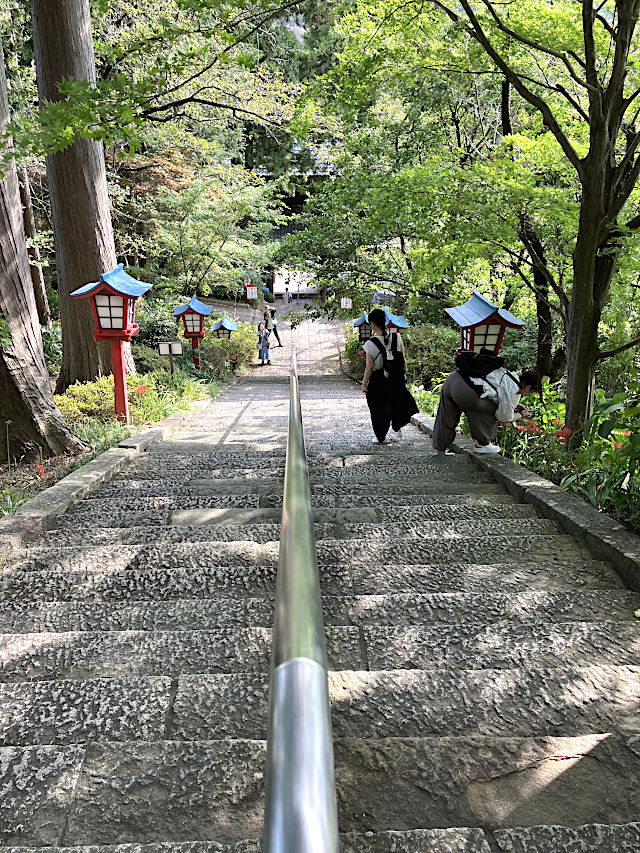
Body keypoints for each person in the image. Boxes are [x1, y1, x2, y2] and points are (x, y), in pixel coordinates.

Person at [432, 364, 543, 454]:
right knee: (493, 409)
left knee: (446, 416)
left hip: (454, 379)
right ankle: (483, 444)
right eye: (532, 392)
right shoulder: (515, 389)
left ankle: (440, 449)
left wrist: (514, 406)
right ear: (528, 387)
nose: (529, 395)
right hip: (466, 390)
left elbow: (497, 393)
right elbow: (504, 417)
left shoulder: (509, 375)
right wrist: (522, 415)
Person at [361, 308, 417, 443]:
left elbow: (369, 367)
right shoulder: (397, 337)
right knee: (396, 403)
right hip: (395, 377)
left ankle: (381, 436)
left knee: (378, 408)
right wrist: (403, 375)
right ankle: (398, 428)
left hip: (378, 380)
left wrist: (364, 384)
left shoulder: (370, 344)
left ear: (372, 324)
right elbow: (402, 358)